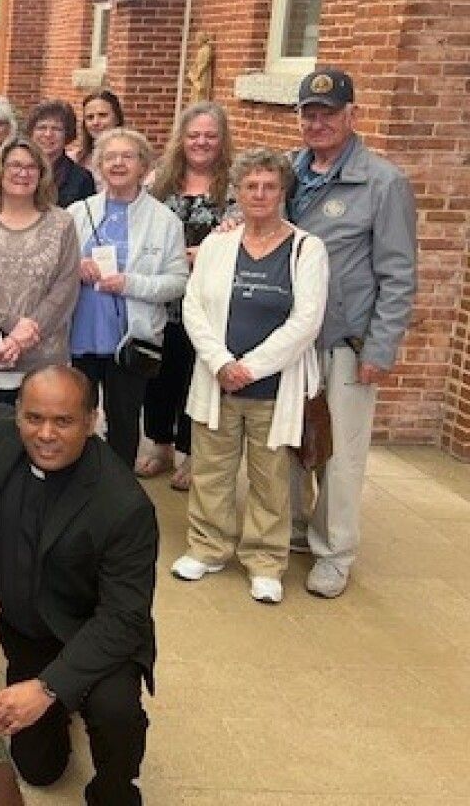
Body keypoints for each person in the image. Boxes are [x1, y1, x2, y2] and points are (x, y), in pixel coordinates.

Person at [0, 366, 157, 806]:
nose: (45, 434)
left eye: (63, 422)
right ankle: (59, 709)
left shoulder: (125, 506)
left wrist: (47, 690)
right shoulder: (1, 433)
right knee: (39, 771)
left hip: (94, 636)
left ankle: (116, 790)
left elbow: (123, 618)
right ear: (18, 414)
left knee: (115, 712)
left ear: (91, 421)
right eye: (34, 418)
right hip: (29, 636)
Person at [172, 149, 329, 605]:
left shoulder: (306, 248)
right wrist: (221, 362)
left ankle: (264, 561)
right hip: (217, 380)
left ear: (283, 193)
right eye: (251, 186)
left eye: (269, 186)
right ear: (237, 192)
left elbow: (307, 320)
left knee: (270, 479)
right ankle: (208, 548)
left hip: (274, 387)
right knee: (211, 472)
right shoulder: (219, 244)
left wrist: (251, 367)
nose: (259, 194)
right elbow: (193, 306)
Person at [287, 68, 417, 599]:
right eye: (309, 113)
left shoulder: (383, 182)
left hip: (348, 343)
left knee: (341, 455)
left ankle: (335, 552)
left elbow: (399, 273)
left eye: (329, 113)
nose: (318, 122)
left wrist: (381, 348)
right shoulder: (291, 174)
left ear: (351, 116)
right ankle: (295, 527)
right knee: (293, 443)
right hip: (293, 340)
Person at [66, 129, 189, 468]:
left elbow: (178, 282)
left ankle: (117, 496)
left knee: (123, 425)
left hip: (131, 340)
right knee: (74, 421)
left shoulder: (164, 221)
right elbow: (55, 269)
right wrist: (75, 267)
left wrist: (130, 283)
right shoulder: (77, 214)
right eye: (109, 157)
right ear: (98, 165)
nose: (118, 163)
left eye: (128, 157)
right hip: (80, 335)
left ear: (144, 166)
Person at [140, 102, 237, 488]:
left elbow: (246, 238)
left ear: (222, 140)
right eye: (194, 135)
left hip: (210, 304)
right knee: (160, 374)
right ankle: (159, 445)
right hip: (163, 301)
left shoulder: (234, 186)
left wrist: (206, 253)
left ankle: (191, 454)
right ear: (181, 139)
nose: (201, 143)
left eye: (210, 136)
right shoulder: (158, 184)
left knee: (199, 378)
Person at [0, 138, 80, 417]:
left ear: (42, 174)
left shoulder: (62, 224)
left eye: (32, 167)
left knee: (39, 443)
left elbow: (65, 286)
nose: (23, 173)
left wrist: (23, 337)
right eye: (15, 165)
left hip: (41, 360)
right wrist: (12, 325)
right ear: (0, 171)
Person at [27, 99, 95, 208]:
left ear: (67, 134)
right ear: (31, 133)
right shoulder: (20, 171)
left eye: (57, 129)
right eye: (42, 127)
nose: (48, 134)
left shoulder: (81, 178)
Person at [70, 88, 125, 166]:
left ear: (117, 119)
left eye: (102, 115)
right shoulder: (74, 160)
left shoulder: (134, 159)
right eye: (90, 117)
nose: (95, 122)